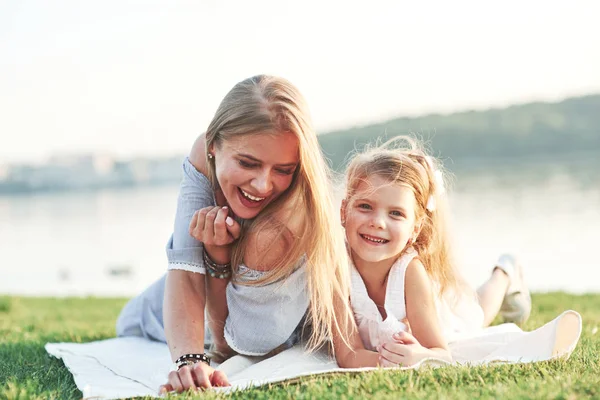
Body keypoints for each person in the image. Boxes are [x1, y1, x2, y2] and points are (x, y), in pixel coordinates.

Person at [115, 75, 353, 392]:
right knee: (132, 318)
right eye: (247, 162)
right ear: (213, 144)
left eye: (283, 169)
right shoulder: (202, 158)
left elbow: (240, 342)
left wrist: (218, 259)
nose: (263, 185)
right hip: (183, 298)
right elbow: (185, 266)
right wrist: (188, 361)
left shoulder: (288, 223)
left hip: (233, 312)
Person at [333, 136, 534, 367]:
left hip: (444, 317)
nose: (378, 222)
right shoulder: (336, 268)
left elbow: (440, 353)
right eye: (365, 206)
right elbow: (349, 355)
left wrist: (419, 356)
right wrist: (390, 361)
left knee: (476, 315)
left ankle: (506, 271)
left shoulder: (410, 272)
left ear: (415, 229)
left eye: (396, 213)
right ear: (343, 211)